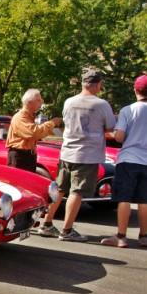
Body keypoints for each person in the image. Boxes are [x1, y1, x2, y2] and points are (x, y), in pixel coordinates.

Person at [38, 68, 116, 242]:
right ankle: (66, 231)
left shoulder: (69, 102)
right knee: (77, 192)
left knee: (60, 188)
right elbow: (111, 127)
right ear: (98, 85)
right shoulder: (101, 104)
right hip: (86, 155)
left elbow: (66, 122)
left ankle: (46, 224)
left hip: (67, 151)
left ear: (82, 83)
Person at [100, 74, 147, 247]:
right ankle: (144, 236)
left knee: (124, 198)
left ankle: (121, 236)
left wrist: (111, 133)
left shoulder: (128, 110)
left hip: (128, 159)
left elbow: (119, 137)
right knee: (144, 200)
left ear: (135, 90)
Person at [5, 89, 62, 172]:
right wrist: (52, 123)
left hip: (27, 156)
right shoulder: (20, 117)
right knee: (20, 184)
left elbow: (38, 134)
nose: (41, 102)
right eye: (38, 100)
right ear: (29, 102)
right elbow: (34, 133)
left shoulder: (29, 117)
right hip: (19, 157)